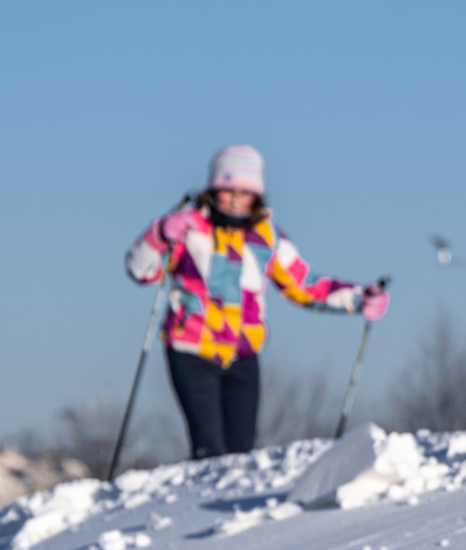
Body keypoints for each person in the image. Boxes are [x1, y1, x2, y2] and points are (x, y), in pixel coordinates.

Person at [125, 145, 387, 459]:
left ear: (256, 196)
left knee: (241, 454)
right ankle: (194, 503)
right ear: (213, 190)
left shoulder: (268, 238)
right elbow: (142, 270)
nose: (235, 199)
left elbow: (304, 285)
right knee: (209, 448)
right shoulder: (188, 229)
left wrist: (359, 298)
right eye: (227, 190)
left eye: (245, 192)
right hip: (191, 349)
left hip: (243, 355)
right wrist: (159, 235)